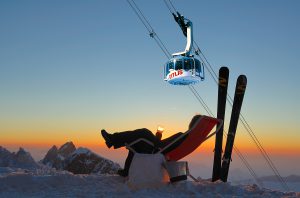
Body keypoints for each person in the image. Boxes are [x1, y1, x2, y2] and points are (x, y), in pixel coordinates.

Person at [101, 114, 202, 177]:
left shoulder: (182, 136)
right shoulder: (187, 138)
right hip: (157, 148)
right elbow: (166, 145)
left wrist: (158, 136)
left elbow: (162, 146)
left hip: (156, 149)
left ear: (193, 124)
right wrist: (158, 136)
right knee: (136, 144)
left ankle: (113, 139)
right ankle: (127, 170)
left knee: (144, 132)